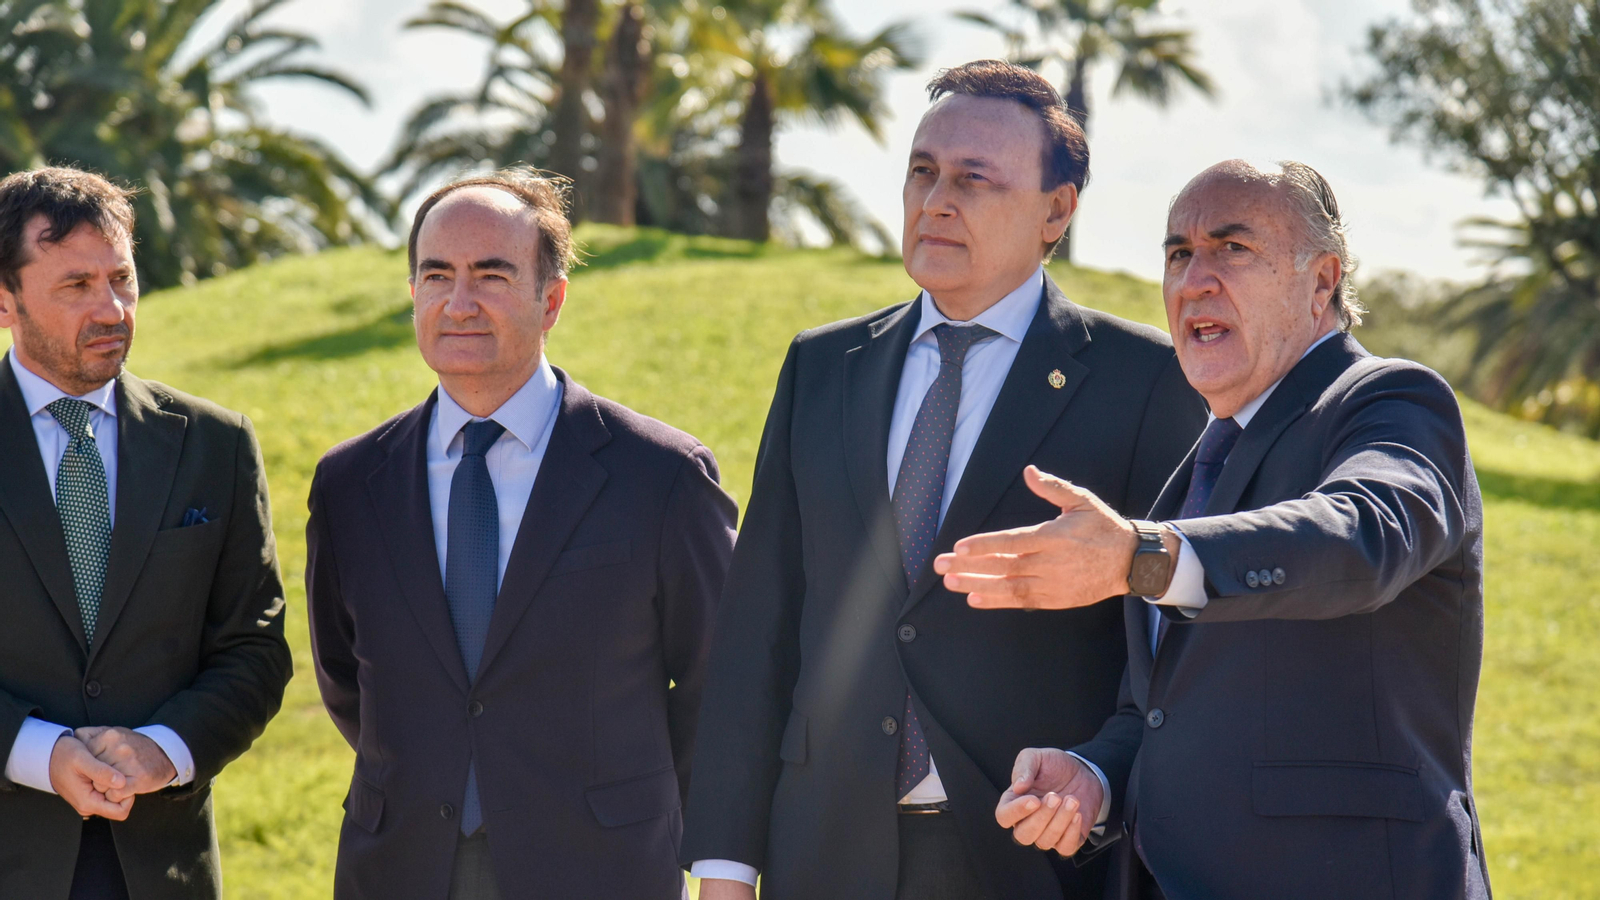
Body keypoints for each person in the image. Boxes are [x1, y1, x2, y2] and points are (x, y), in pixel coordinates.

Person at [681, 60, 1206, 900]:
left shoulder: (1147, 380)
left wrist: (1099, 778)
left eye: (974, 178)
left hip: (1032, 858)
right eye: (922, 171)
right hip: (820, 854)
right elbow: (757, 627)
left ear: (1056, 211)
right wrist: (725, 865)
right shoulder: (822, 367)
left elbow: (1174, 654)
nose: (936, 200)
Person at [936, 160, 1490, 900]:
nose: (1194, 278)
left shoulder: (1389, 402)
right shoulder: (1193, 476)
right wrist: (1097, 775)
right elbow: (1167, 709)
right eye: (1177, 253)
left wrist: (1142, 556)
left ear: (1322, 281)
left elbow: (1366, 532)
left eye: (1232, 248)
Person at [305, 169, 737, 900]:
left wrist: (717, 862)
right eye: (436, 275)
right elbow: (348, 680)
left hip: (601, 871)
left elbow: (720, 688)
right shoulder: (351, 484)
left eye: (492, 275)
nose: (459, 301)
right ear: (413, 293)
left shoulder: (661, 476)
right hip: (400, 867)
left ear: (553, 298)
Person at [0, 166, 292, 899]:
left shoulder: (215, 444)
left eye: (122, 279)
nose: (112, 309)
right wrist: (37, 752)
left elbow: (253, 650)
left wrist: (162, 750)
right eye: (76, 286)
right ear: (5, 299)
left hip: (164, 870)